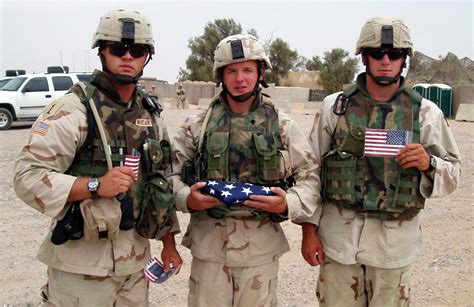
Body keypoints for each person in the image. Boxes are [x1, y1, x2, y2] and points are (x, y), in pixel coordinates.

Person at [14, 9, 182, 306]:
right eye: (118, 49)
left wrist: (169, 244)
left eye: (138, 50)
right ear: (102, 51)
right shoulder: (73, 110)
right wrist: (93, 186)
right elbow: (27, 178)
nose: (127, 56)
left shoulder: (151, 114)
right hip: (81, 269)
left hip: (134, 265)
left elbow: (162, 183)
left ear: (147, 57)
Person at [303, 17, 461, 306]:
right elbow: (311, 172)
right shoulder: (335, 107)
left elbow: (453, 174)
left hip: (393, 249)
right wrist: (308, 230)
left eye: (395, 54)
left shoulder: (425, 113)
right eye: (377, 54)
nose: (385, 61)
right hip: (339, 245)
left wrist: (429, 164)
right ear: (364, 57)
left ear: (405, 60)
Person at [171, 34, 322, 306]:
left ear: (260, 73)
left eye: (247, 70)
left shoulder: (282, 125)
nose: (240, 78)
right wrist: (186, 198)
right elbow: (169, 176)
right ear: (221, 76)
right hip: (210, 248)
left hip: (260, 248)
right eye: (232, 71)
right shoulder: (198, 125)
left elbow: (310, 177)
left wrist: (287, 203)